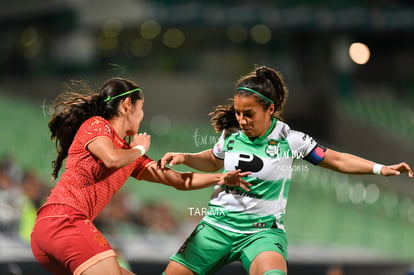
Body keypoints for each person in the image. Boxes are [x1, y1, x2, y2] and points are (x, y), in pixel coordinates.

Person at [159, 65, 414, 275]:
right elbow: (213, 161)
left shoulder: (290, 140)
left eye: (249, 114)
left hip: (261, 233)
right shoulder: (231, 135)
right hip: (215, 227)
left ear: (270, 109)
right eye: (237, 113)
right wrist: (185, 157)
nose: (242, 120)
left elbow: (335, 160)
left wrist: (380, 169)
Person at [30, 77, 251, 275]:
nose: (143, 114)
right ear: (127, 106)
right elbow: (111, 159)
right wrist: (139, 149)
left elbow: (179, 181)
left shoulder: (129, 155)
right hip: (64, 222)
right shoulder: (97, 125)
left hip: (55, 231)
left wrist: (221, 178)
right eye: (141, 107)